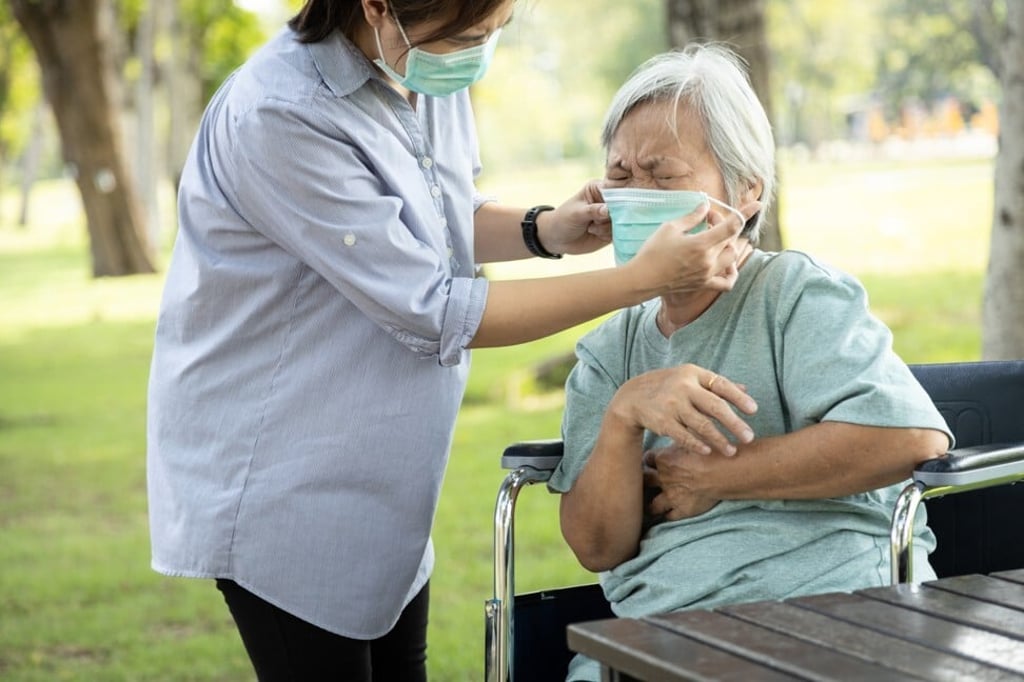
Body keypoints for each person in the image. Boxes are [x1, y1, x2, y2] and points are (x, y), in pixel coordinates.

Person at [145, 2, 760, 680]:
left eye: (496, 29)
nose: (482, 50)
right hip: (282, 479)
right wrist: (640, 280)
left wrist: (543, 230)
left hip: (380, 482)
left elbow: (434, 214)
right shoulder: (279, 115)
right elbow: (434, 311)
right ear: (378, 7)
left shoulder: (420, 71)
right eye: (470, 35)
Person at [547, 44, 954, 682]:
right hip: (661, 635)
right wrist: (625, 416)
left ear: (746, 189)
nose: (636, 194)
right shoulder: (607, 352)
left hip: (833, 609)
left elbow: (907, 438)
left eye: (663, 173)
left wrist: (715, 477)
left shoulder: (795, 294)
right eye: (620, 174)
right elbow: (597, 546)